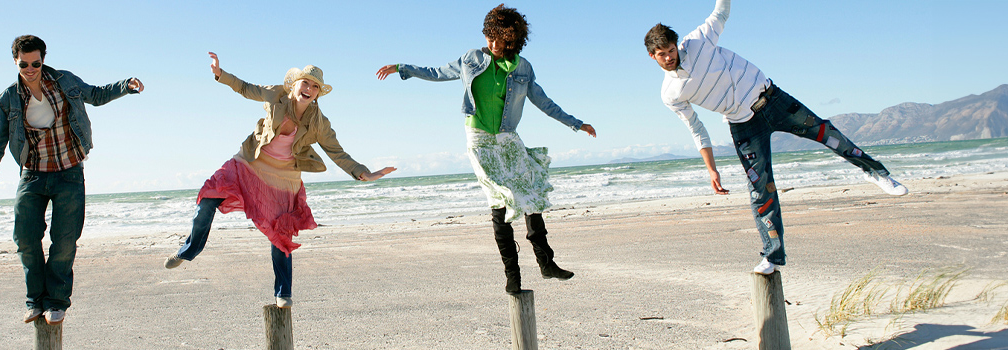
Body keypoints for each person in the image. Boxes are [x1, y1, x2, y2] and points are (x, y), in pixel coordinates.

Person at [644, 0, 909, 275]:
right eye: (662, 54)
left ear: (678, 45)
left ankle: (877, 173)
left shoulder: (698, 41)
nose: (669, 57)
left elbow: (721, 11)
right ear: (653, 56)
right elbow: (696, 128)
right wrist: (711, 169)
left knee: (826, 133)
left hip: (774, 101)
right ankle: (772, 256)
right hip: (744, 126)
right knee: (761, 189)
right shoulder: (671, 94)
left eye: (671, 50)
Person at [375, 4, 597, 294]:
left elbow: (544, 102)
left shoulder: (523, 67)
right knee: (499, 200)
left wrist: (576, 123)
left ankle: (546, 263)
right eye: (490, 37)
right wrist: (403, 68)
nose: (494, 44)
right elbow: (437, 72)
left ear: (514, 39)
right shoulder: (471, 58)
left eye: (501, 39)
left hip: (507, 137)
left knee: (530, 193)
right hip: (479, 138)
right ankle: (513, 275)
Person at [163, 52, 396, 308]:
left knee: (281, 232)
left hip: (283, 177)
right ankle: (189, 250)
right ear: (294, 84)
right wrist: (220, 74)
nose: (308, 89)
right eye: (305, 83)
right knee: (208, 199)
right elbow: (245, 88)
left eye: (315, 86)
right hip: (250, 162)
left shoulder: (319, 123)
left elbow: (337, 153)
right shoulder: (276, 95)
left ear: (318, 93)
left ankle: (283, 292)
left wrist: (364, 172)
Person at [0, 35, 142, 325]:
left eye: (35, 63)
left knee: (64, 241)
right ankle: (35, 300)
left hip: (69, 172)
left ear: (42, 60)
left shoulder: (65, 81)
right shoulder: (7, 99)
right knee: (25, 239)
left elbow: (96, 95)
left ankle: (56, 301)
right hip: (33, 175)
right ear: (15, 62)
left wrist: (125, 86)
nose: (30, 69)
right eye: (24, 64)